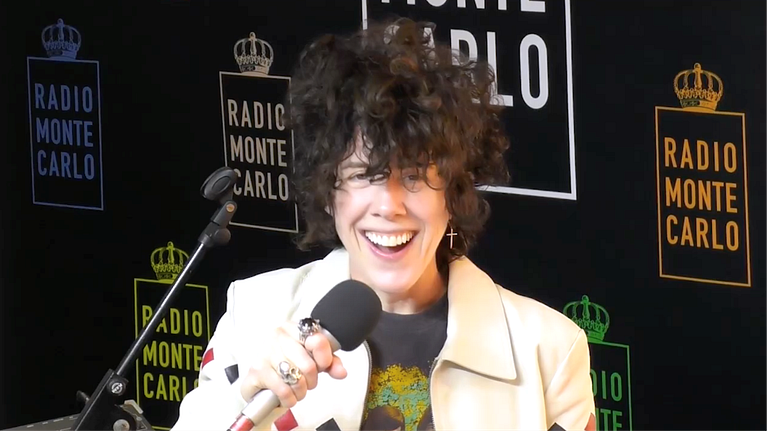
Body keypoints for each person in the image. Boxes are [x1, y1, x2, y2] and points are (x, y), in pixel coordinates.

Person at [172, 17, 595, 431]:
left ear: (453, 192)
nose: (388, 206)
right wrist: (244, 400)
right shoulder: (254, 315)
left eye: (414, 177)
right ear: (327, 191)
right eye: (363, 175)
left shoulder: (550, 350)